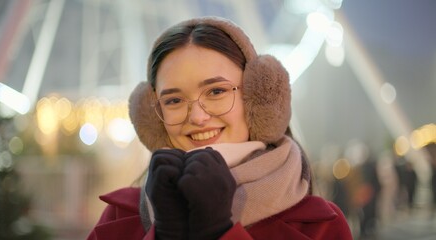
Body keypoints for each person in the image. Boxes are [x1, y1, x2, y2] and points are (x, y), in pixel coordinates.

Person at [87, 16, 353, 240]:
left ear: (258, 97)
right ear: (153, 118)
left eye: (216, 91)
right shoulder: (121, 216)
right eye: (174, 100)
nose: (198, 117)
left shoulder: (320, 227)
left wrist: (219, 231)